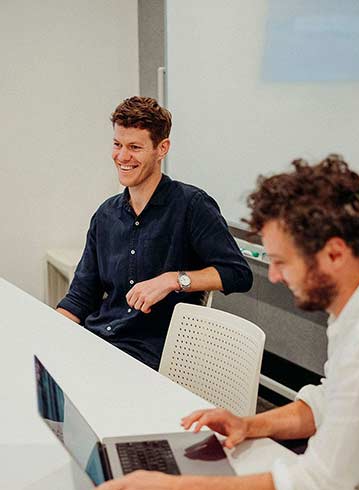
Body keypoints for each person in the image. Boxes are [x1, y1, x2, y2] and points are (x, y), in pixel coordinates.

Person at [86, 154, 359, 490]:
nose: (275, 276)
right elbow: (330, 400)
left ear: (334, 253)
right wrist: (251, 425)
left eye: (281, 261)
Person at [57, 97, 252, 369]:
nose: (122, 157)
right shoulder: (105, 215)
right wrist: (49, 335)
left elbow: (238, 274)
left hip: (151, 357)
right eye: (117, 144)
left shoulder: (191, 206)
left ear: (162, 149)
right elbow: (80, 297)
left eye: (134, 147)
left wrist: (173, 280)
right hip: (99, 342)